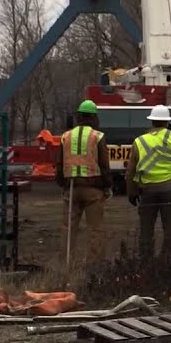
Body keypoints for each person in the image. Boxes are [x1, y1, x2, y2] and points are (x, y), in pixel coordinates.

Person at [128, 105, 171, 261]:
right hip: (169, 190)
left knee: (146, 231)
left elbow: (130, 171)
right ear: (167, 122)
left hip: (147, 192)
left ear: (151, 121)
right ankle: (168, 262)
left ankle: (146, 262)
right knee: (170, 231)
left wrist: (131, 192)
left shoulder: (140, 141)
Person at [57, 99, 112, 265]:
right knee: (95, 229)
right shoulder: (98, 136)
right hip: (93, 189)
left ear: (79, 117)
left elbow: (59, 164)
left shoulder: (66, 136)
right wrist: (107, 186)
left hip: (72, 188)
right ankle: (94, 264)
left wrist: (63, 184)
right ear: (93, 117)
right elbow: (104, 164)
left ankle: (66, 264)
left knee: (68, 229)